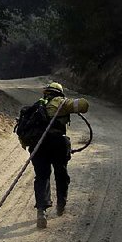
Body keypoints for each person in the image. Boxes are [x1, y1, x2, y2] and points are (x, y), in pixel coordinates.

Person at [29, 81, 89, 229]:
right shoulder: (61, 103)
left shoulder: (37, 106)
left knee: (41, 177)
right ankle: (61, 205)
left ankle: (41, 211)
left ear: (46, 93)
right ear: (59, 93)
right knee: (61, 174)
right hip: (57, 143)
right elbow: (84, 105)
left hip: (38, 145)